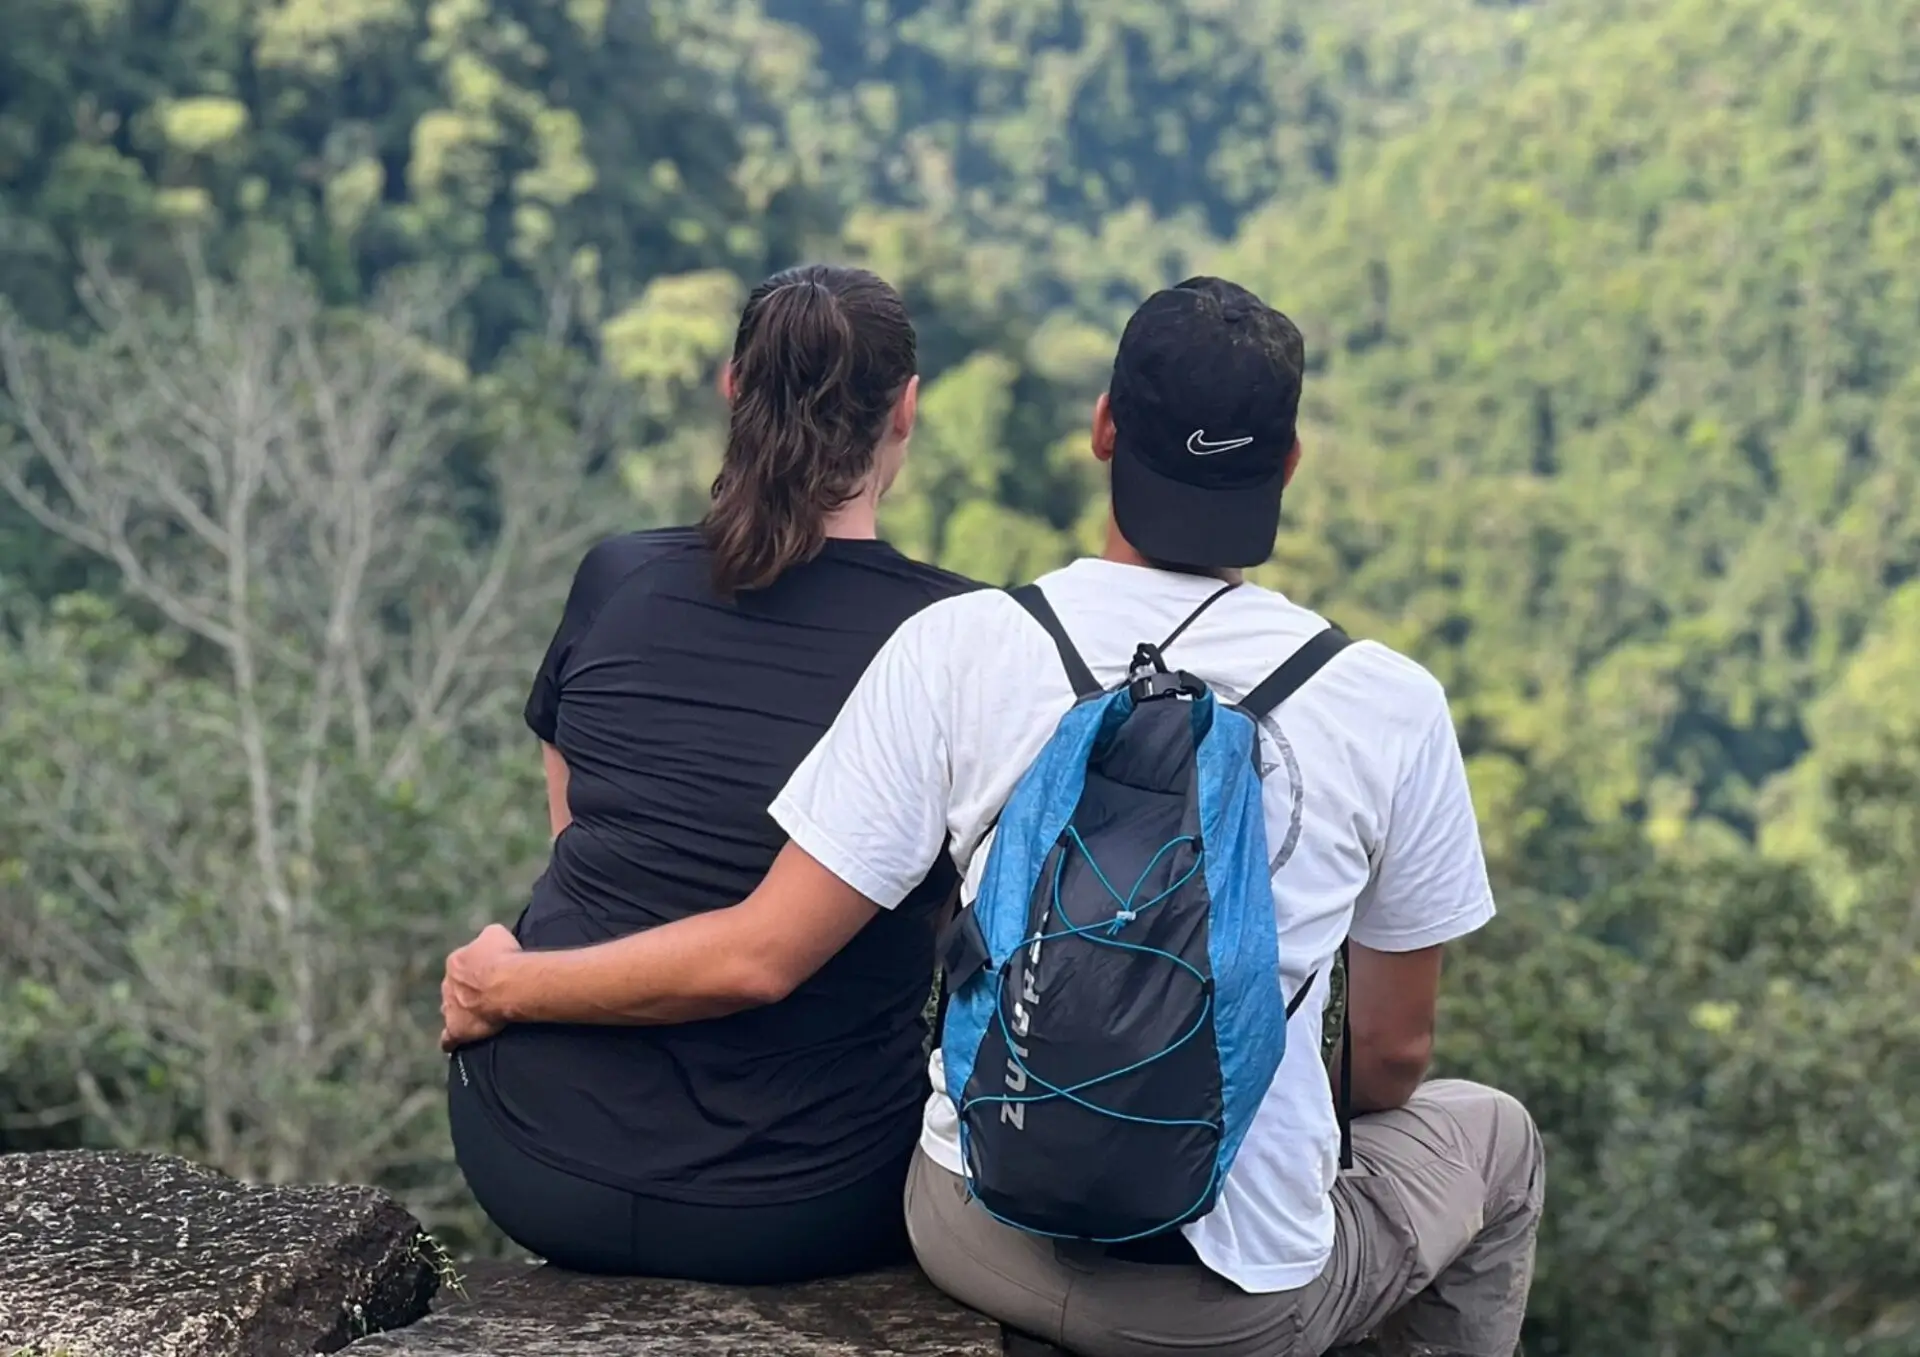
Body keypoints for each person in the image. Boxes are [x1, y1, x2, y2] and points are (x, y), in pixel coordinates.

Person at [442, 277, 1545, 1356]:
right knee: (1494, 1134)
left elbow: (692, 904)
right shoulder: (1391, 701)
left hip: (971, 1233)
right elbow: (1392, 1057)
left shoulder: (963, 646)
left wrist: (504, 983)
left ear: (1104, 429)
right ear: (1291, 461)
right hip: (1220, 1299)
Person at [440, 263, 977, 1284]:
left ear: (733, 386)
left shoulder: (619, 579)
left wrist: (503, 985)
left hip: (533, 1153)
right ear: (905, 408)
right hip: (811, 1191)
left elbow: (585, 842)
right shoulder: (955, 640)